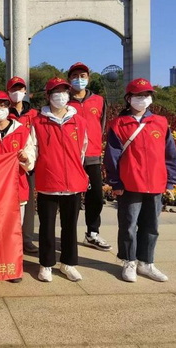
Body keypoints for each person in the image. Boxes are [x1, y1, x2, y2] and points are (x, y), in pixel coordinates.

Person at [104, 78, 176, 283]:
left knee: (151, 226)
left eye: (146, 95)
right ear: (129, 98)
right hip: (130, 184)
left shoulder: (160, 122)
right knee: (128, 225)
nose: (143, 99)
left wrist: (171, 181)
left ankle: (146, 262)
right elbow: (111, 156)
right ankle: (129, 261)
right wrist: (115, 182)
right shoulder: (119, 124)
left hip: (155, 183)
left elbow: (170, 154)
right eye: (138, 95)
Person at [31, 77, 89, 283]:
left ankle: (68, 263)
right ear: (48, 96)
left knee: (70, 226)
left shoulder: (79, 122)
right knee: (47, 226)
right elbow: (33, 149)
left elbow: (82, 151)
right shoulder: (38, 122)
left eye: (64, 91)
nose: (61, 96)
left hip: (73, 182)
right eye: (56, 92)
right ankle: (46, 264)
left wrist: (75, 171)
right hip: (48, 181)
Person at [0, 90, 36, 283]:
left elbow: (31, 161)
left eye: (2, 105)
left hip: (16, 189)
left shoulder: (22, 131)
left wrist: (25, 158)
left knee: (14, 230)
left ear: (8, 107)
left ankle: (13, 267)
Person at [67, 62, 111, 251]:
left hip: (92, 156)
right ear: (69, 79)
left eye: (82, 76)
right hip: (71, 158)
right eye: (75, 76)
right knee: (72, 199)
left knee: (96, 197)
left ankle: (92, 233)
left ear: (88, 78)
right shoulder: (64, 101)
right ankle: (69, 235)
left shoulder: (99, 100)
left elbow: (102, 126)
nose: (79, 79)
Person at [7, 76, 39, 254]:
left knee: (28, 203)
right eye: (13, 89)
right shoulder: (4, 112)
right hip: (8, 165)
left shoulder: (33, 114)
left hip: (28, 163)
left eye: (20, 89)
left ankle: (27, 239)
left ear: (25, 91)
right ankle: (10, 238)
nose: (17, 92)